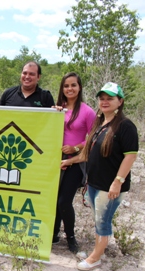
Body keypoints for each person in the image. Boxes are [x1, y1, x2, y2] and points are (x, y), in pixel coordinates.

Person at [61, 82, 138, 271]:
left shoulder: (125, 126)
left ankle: (95, 258)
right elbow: (88, 152)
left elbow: (130, 155)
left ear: (120, 101)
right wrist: (69, 162)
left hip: (110, 185)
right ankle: (97, 251)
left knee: (103, 220)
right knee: (98, 218)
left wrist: (117, 182)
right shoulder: (100, 122)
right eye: (102, 98)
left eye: (110, 99)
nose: (105, 102)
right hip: (95, 182)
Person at [52, 73, 96, 253]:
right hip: (55, 162)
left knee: (64, 201)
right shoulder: (56, 109)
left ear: (79, 88)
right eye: (66, 86)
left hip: (76, 163)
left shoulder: (87, 111)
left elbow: (94, 138)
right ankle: (53, 235)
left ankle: (70, 238)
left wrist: (76, 148)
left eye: (73, 85)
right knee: (53, 200)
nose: (69, 89)